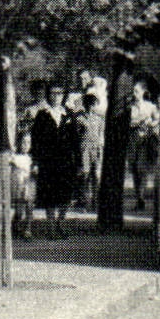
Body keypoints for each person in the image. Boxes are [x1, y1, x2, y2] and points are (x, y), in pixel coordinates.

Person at [32, 83, 81, 238]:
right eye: (53, 93)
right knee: (50, 194)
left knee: (65, 193)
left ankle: (61, 223)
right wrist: (36, 161)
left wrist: (79, 162)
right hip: (48, 161)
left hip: (66, 161)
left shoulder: (69, 114)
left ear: (63, 95)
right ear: (48, 95)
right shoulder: (42, 114)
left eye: (59, 93)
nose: (56, 96)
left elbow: (75, 140)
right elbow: (36, 140)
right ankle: (51, 227)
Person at [128, 80, 160, 212]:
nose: (135, 94)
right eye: (133, 91)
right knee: (135, 170)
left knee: (142, 169)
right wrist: (136, 123)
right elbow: (126, 122)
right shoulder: (130, 107)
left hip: (145, 140)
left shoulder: (150, 106)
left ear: (143, 92)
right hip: (133, 140)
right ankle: (138, 197)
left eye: (137, 91)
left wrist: (150, 124)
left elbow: (158, 119)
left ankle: (141, 197)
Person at [78, 82, 106, 210]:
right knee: (85, 174)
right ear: (85, 104)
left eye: (93, 104)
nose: (91, 106)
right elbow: (77, 135)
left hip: (96, 148)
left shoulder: (100, 119)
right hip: (84, 148)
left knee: (96, 175)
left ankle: (96, 200)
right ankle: (84, 201)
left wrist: (101, 148)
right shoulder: (80, 118)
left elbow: (101, 136)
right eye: (88, 103)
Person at [11, 131, 37, 240]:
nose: (26, 145)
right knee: (19, 210)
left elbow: (35, 170)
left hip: (29, 184)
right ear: (19, 143)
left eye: (28, 142)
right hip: (18, 184)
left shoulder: (31, 158)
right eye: (24, 142)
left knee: (29, 207)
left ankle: (28, 229)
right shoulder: (14, 157)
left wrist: (35, 170)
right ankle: (14, 226)